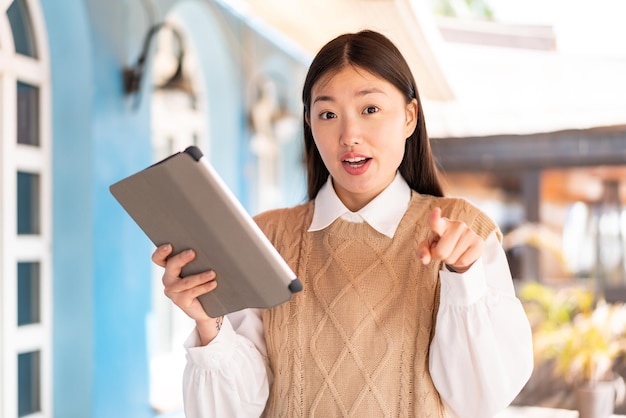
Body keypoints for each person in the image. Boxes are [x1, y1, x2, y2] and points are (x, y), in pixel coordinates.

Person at [152, 30, 534, 418]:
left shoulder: (464, 233)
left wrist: (464, 277)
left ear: (409, 116)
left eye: (370, 109)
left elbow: (481, 398)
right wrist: (208, 321)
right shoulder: (266, 237)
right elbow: (232, 411)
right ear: (309, 123)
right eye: (328, 114)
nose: (349, 136)